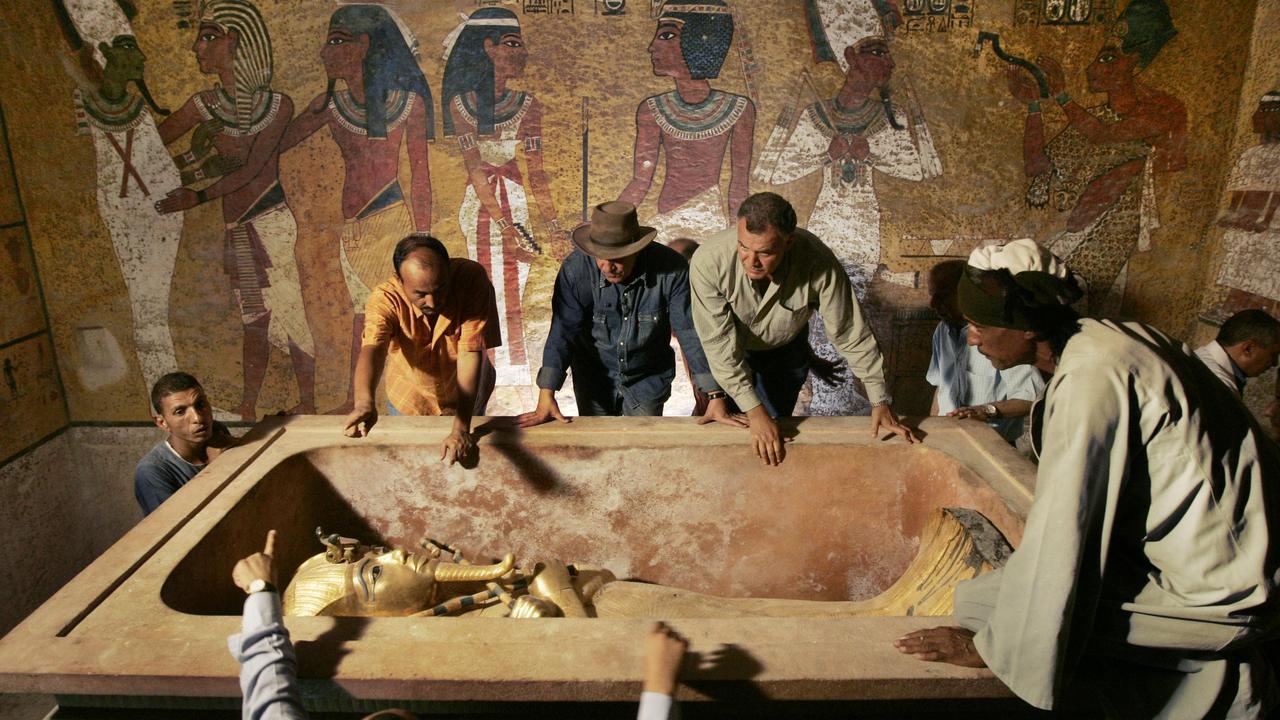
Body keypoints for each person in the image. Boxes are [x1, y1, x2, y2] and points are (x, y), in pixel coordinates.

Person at [894, 239, 1280, 718]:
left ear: (1027, 327)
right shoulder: (1107, 335)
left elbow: (1064, 531)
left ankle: (1226, 689)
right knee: (984, 595)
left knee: (989, 612)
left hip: (1221, 590)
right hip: (1232, 553)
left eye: (978, 325)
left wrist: (993, 651)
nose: (971, 339)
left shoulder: (1091, 380)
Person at [230, 531, 676, 720]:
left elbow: (268, 696)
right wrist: (553, 595)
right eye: (374, 575)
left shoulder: (454, 609)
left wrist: (260, 595)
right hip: (627, 618)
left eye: (373, 554)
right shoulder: (464, 645)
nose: (390, 555)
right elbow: (586, 658)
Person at [157, 0, 317, 420]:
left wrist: (199, 193)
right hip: (237, 226)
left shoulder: (277, 105)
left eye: (208, 37)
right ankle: (249, 404)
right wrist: (194, 161)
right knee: (254, 317)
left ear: (236, 42)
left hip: (270, 221)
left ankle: (309, 401)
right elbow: (152, 146)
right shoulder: (203, 105)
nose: (197, 48)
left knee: (290, 312)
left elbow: (253, 169)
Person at [279, 4, 435, 413]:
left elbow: (420, 176)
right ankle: (357, 399)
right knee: (360, 317)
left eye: (337, 41)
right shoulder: (331, 105)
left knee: (398, 316)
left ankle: (409, 397)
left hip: (389, 222)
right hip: (353, 226)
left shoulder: (408, 104)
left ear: (364, 45)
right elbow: (280, 141)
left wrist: (422, 240)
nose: (325, 52)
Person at [690, 192, 915, 466]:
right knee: (734, 435)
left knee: (772, 438)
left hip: (786, 354)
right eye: (744, 247)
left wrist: (879, 400)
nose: (752, 261)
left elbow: (849, 330)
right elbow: (718, 343)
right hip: (731, 354)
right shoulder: (708, 261)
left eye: (766, 252)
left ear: (789, 242)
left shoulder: (818, 261)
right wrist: (753, 411)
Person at [1004, 0, 1186, 316]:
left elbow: (1104, 134)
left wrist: (1061, 95)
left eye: (1108, 58)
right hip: (1072, 234)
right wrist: (1034, 106)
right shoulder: (1091, 119)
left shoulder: (1161, 111)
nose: (1092, 67)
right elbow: (1037, 164)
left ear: (1137, 61)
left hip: (1109, 238)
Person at [441, 7, 567, 402]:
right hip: (483, 209)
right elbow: (475, 170)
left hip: (515, 201)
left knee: (518, 288)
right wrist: (504, 225)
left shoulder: (528, 105)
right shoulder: (461, 105)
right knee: (489, 291)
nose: (522, 53)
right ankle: (491, 378)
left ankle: (515, 380)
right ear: (488, 48)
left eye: (521, 44)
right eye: (513, 44)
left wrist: (553, 225)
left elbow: (538, 171)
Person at [517, 202, 737, 425]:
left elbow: (690, 332)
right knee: (598, 445)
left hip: (647, 377)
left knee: (641, 444)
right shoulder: (575, 270)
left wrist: (715, 395)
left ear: (637, 249)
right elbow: (562, 331)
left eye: (617, 258)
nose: (606, 266)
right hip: (594, 375)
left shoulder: (672, 269)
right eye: (599, 256)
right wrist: (547, 393)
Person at [343, 235, 501, 466]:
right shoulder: (384, 299)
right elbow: (373, 349)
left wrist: (461, 427)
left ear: (448, 271)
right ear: (400, 280)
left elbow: (470, 351)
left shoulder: (471, 279)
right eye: (420, 294)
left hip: (466, 395)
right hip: (410, 400)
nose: (433, 301)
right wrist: (364, 402)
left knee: (464, 457)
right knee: (416, 467)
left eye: (440, 289)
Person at [617, 0, 755, 239]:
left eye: (666, 35)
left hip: (710, 221)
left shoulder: (739, 109)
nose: (651, 47)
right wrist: (607, 221)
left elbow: (738, 188)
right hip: (667, 222)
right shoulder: (651, 110)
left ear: (701, 40)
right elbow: (640, 182)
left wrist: (738, 241)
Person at [925, 260, 1042, 444]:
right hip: (949, 440)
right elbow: (941, 387)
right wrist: (933, 433)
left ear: (964, 294)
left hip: (991, 445)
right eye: (932, 295)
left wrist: (985, 411)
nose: (933, 304)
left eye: (943, 296)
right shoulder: (942, 331)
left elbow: (1030, 398)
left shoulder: (1000, 337)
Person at [134, 372, 234, 515]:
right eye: (180, 411)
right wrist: (215, 469)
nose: (198, 418)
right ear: (162, 422)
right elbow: (173, 529)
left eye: (200, 404)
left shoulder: (216, 431)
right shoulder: (152, 471)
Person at [1194, 309, 1280, 397]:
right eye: (1273, 354)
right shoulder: (1219, 388)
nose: (1275, 363)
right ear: (1248, 349)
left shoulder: (1196, 358)